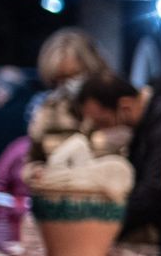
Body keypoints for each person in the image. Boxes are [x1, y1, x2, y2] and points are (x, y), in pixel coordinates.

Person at [77, 71, 161, 256]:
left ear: (125, 106)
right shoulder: (150, 120)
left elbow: (156, 188)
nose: (103, 132)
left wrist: (107, 228)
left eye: (104, 122)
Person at [27, 29, 112, 162]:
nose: (66, 84)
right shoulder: (47, 112)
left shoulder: (113, 107)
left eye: (74, 75)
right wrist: (36, 173)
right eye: (59, 79)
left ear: (91, 67)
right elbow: (32, 160)